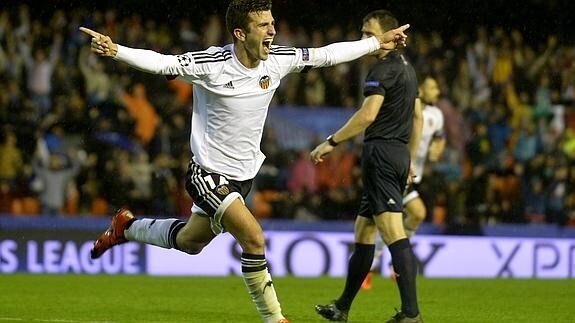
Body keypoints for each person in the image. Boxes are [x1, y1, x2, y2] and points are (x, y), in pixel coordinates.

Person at [79, 1, 410, 322]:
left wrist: (375, 43)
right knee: (254, 238)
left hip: (242, 176)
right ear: (240, 33)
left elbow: (326, 55)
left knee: (189, 242)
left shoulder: (278, 60)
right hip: (206, 173)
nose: (273, 30)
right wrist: (116, 50)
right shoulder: (212, 64)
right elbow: (163, 63)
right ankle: (275, 317)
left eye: (272, 22)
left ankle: (127, 227)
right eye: (264, 25)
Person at [311, 10, 423, 323]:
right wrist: (410, 158)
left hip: (382, 155)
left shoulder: (382, 70)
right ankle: (342, 307)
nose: (364, 40)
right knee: (365, 231)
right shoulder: (408, 70)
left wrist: (331, 142)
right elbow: (417, 118)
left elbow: (367, 115)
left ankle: (411, 314)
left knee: (393, 233)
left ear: (387, 36)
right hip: (397, 154)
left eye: (368, 33)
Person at [362, 75, 445, 289]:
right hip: (395, 169)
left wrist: (437, 150)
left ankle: (385, 265)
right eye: (433, 87)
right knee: (402, 217)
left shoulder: (437, 115)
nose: (437, 91)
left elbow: (439, 137)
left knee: (408, 216)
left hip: (411, 174)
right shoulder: (406, 109)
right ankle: (376, 267)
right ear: (421, 90)